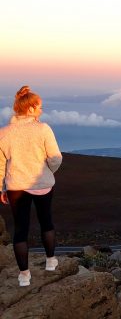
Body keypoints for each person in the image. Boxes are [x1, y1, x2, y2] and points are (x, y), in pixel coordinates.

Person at [0, 86, 62, 286]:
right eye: (40, 107)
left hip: (16, 186)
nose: (41, 110)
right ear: (31, 108)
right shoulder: (43, 129)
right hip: (42, 184)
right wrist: (48, 172)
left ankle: (24, 276)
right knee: (46, 222)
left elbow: (0, 164)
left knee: (20, 229)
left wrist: (1, 187)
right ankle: (51, 262)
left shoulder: (4, 133)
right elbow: (55, 158)